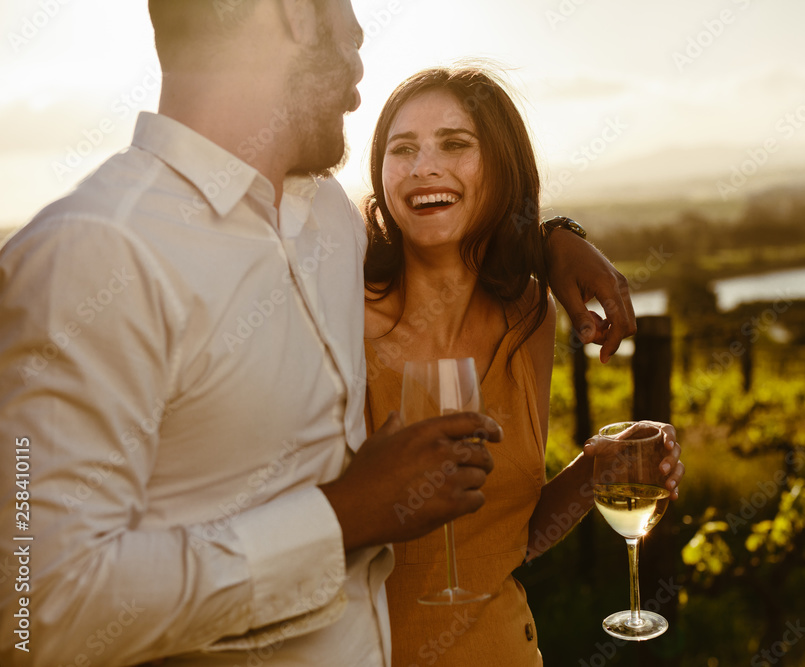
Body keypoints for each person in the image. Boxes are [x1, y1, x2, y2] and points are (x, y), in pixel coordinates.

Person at [0, 2, 643, 666]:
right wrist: (340, 517)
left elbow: (449, 249)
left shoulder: (325, 223)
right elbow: (31, 612)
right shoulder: (94, 252)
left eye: (454, 142)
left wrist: (551, 240)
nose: (362, 28)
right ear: (292, 13)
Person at [362, 67, 684, 666]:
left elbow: (516, 536)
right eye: (400, 149)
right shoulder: (337, 310)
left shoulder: (530, 313)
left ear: (503, 166)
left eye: (455, 144)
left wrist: (594, 473)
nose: (422, 166)